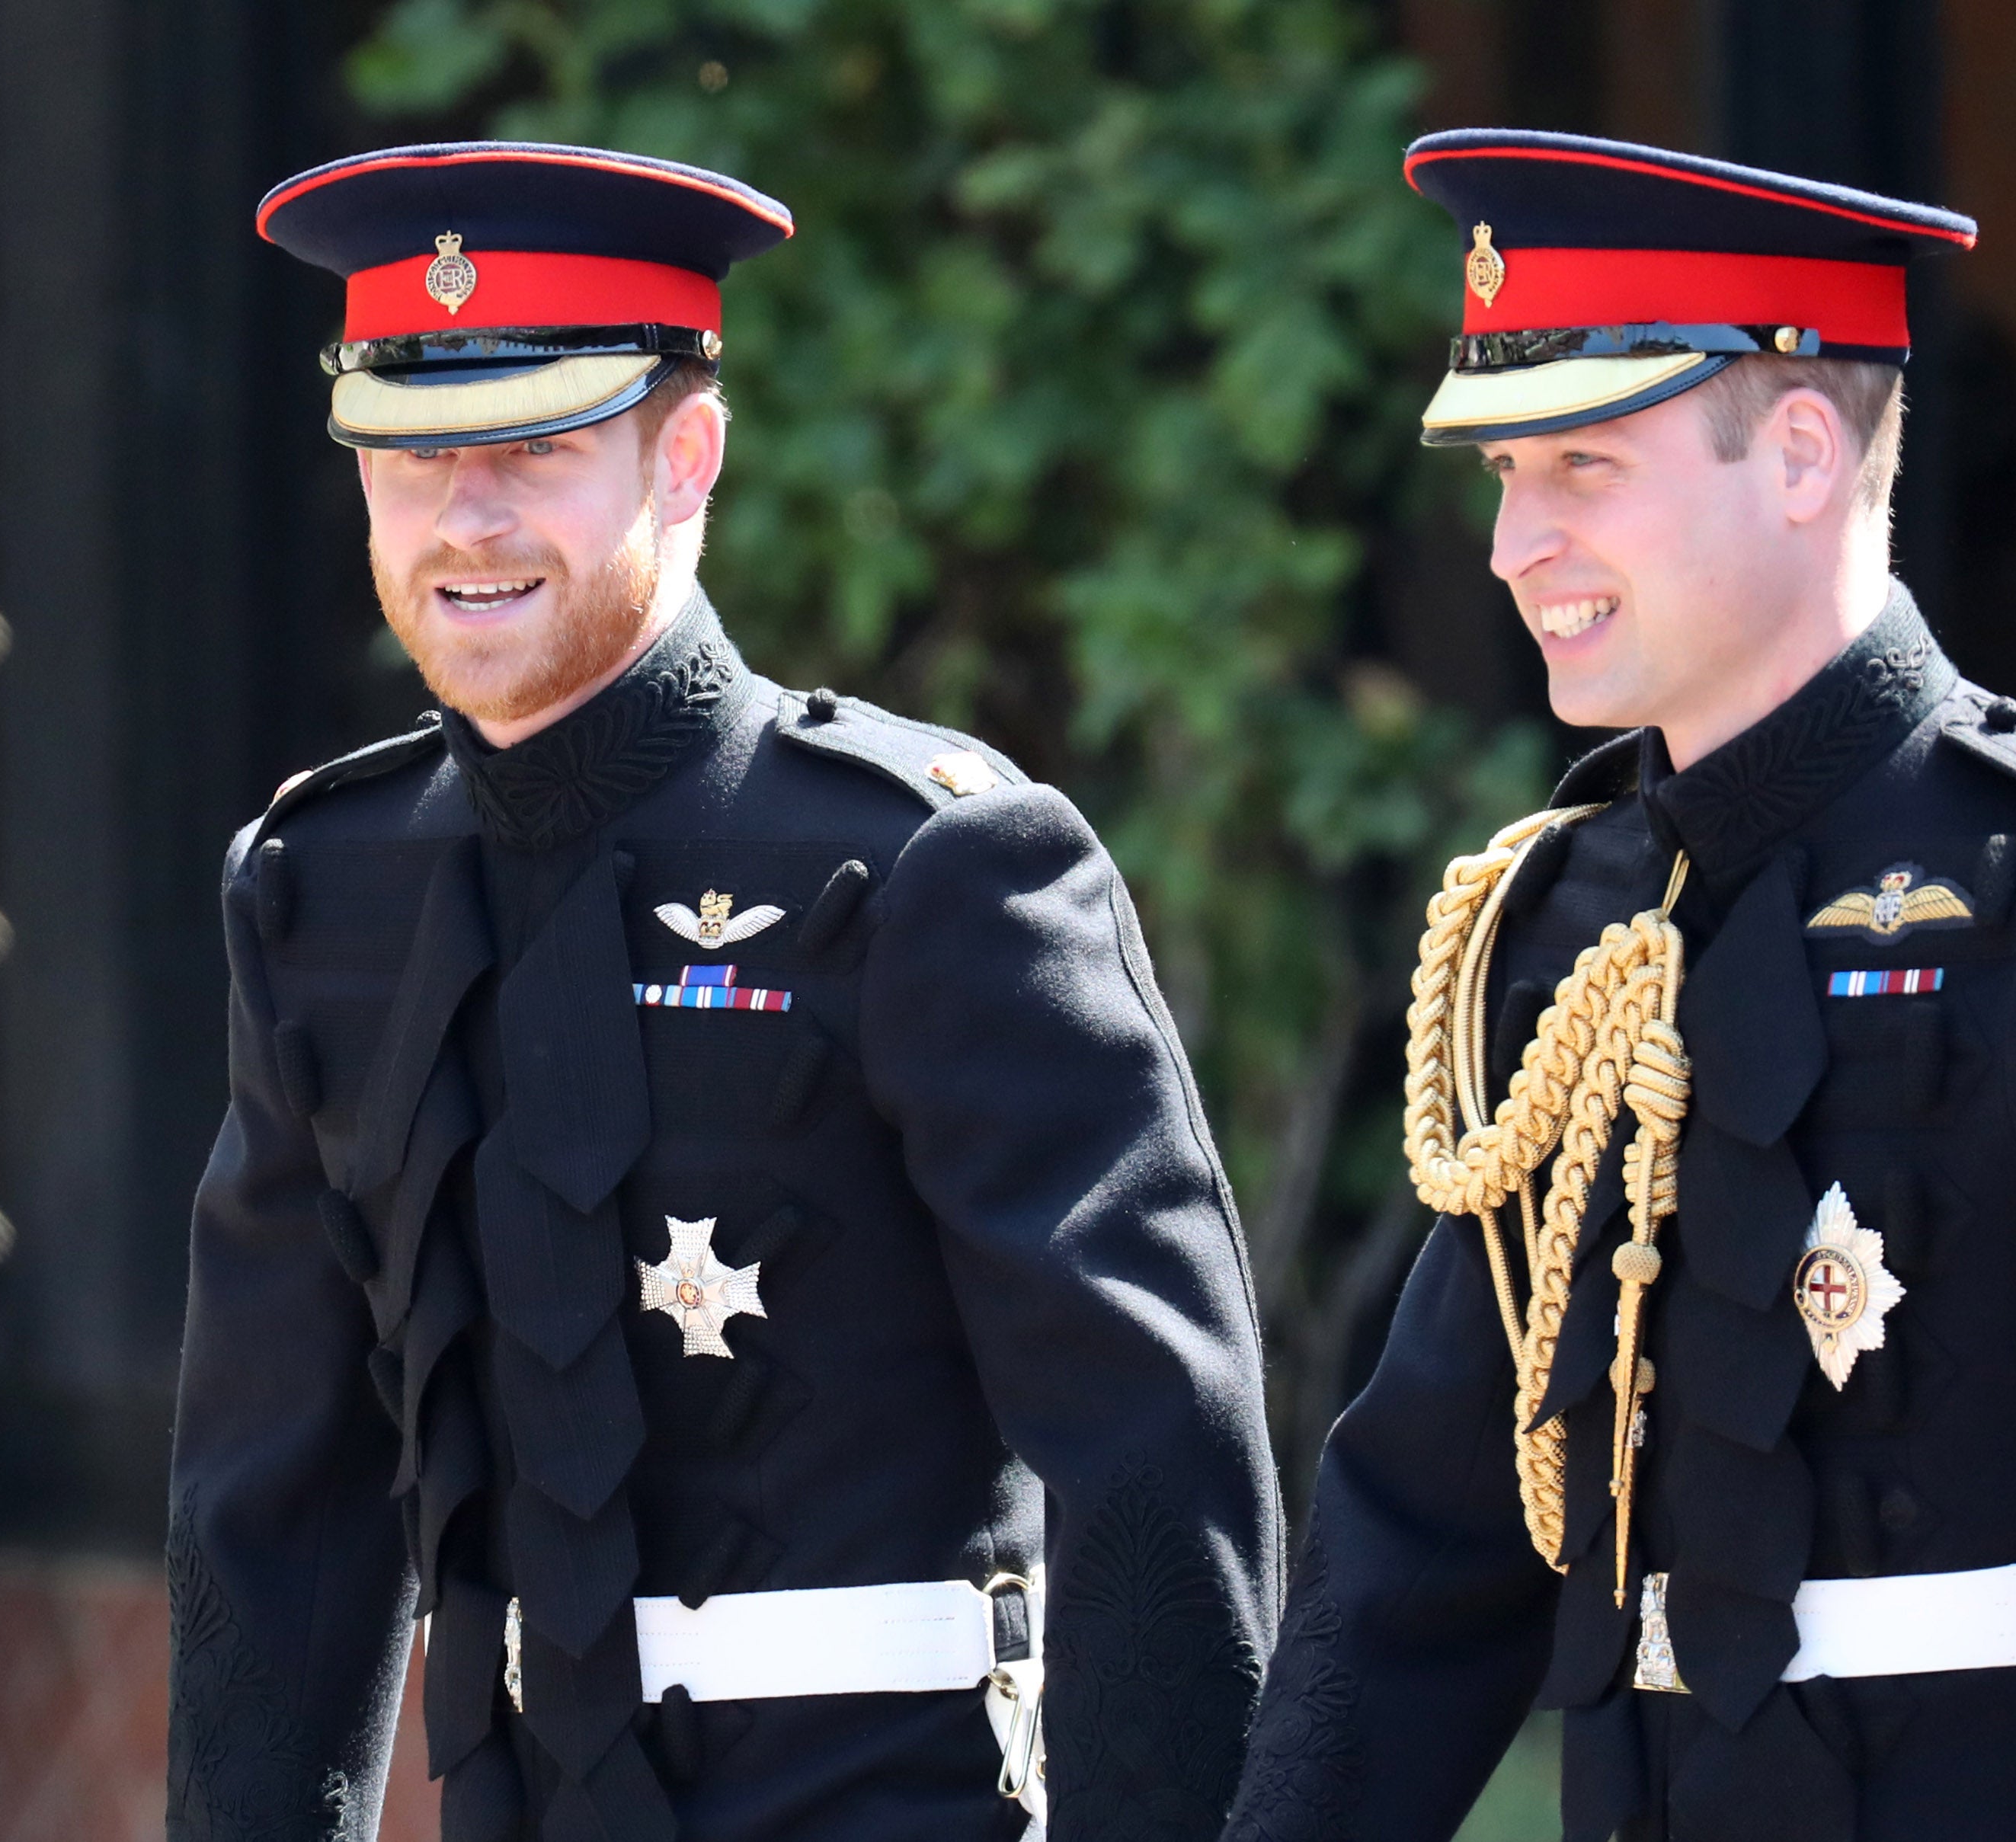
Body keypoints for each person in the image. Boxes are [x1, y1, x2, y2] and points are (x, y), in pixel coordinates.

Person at [1223, 130, 2016, 1842]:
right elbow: (1418, 1558)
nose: (1513, 543)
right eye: (1500, 476)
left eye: (1579, 464)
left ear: (1798, 450)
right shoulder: (1566, 918)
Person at [165, 141, 1280, 1842]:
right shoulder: (322, 888)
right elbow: (276, 1509)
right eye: (409, 458)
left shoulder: (927, 868)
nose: (465, 521)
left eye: (533, 450)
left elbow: (1155, 1463)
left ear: (683, 460)